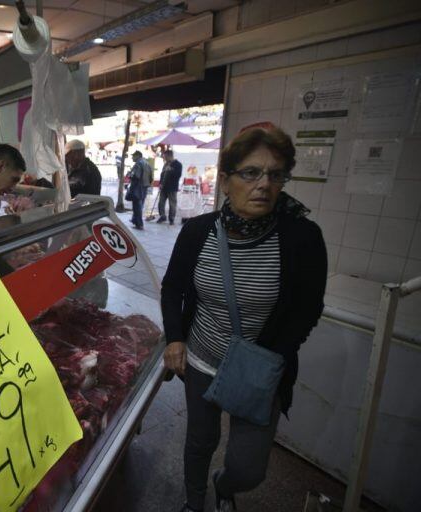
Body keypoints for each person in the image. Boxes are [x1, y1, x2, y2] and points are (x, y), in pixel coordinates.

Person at [161, 125, 327, 512]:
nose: (264, 184)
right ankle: (194, 501)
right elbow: (173, 289)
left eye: (275, 174)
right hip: (202, 360)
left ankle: (225, 484)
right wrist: (174, 338)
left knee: (249, 467)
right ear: (225, 181)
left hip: (259, 370)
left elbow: (307, 309)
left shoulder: (303, 238)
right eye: (250, 173)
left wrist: (272, 360)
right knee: (199, 442)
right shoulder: (198, 232)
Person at [158, 149, 182, 225]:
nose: (164, 158)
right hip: (164, 187)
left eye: (165, 157)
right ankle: (162, 216)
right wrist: (160, 183)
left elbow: (178, 175)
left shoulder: (178, 164)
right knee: (161, 202)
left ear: (170, 156)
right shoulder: (166, 164)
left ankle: (171, 218)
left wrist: (171, 170)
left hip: (172, 187)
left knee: (172, 204)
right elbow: (162, 175)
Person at [127, 150, 149, 230]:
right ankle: (135, 221)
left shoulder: (138, 164)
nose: (132, 157)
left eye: (133, 156)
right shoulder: (146, 163)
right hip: (144, 187)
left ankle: (139, 224)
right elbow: (151, 177)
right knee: (140, 205)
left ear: (138, 156)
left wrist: (129, 174)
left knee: (137, 206)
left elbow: (136, 176)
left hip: (137, 187)